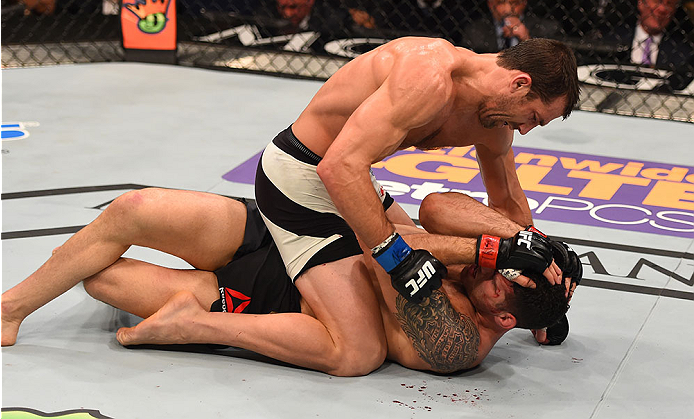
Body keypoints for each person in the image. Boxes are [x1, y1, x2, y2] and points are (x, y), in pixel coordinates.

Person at [253, 35, 579, 374]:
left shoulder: (494, 119)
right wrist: (396, 259)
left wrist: (544, 280)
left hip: (355, 179)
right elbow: (336, 167)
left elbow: (507, 207)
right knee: (357, 353)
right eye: (534, 117)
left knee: (425, 249)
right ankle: (204, 320)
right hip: (299, 175)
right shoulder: (429, 76)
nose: (525, 130)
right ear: (519, 83)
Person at [1, 188, 572, 375]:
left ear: (504, 321)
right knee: (131, 210)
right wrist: (518, 237)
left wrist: (495, 252)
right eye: (492, 267)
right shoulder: (486, 272)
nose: (483, 269)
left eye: (498, 284)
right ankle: (10, 309)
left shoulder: (455, 342)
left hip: (270, 298)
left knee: (101, 280)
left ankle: (196, 324)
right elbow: (438, 206)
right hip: (289, 236)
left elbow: (388, 252)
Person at [461, 0, 562, 52]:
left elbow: (551, 69)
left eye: (513, 2)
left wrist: (527, 40)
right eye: (500, 2)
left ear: (523, 3)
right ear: (490, 4)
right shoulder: (474, 31)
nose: (507, 9)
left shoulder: (547, 29)